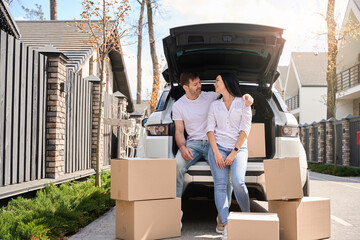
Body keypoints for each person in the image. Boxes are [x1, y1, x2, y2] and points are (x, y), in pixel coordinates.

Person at [172, 72, 253, 232]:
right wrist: (182, 147)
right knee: (176, 165)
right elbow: (179, 132)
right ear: (185, 87)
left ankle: (223, 217)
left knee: (227, 178)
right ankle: (174, 211)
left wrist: (248, 97)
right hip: (193, 144)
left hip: (214, 143)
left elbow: (233, 95)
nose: (200, 86)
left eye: (199, 82)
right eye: (195, 84)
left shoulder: (210, 97)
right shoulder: (178, 106)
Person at [206, 73, 252, 240]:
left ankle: (247, 218)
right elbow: (210, 130)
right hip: (218, 148)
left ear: (226, 82)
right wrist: (217, 153)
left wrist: (233, 153)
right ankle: (226, 225)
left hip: (238, 149)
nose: (214, 83)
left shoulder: (244, 102)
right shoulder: (214, 105)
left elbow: (245, 130)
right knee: (220, 185)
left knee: (238, 181)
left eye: (217, 80)